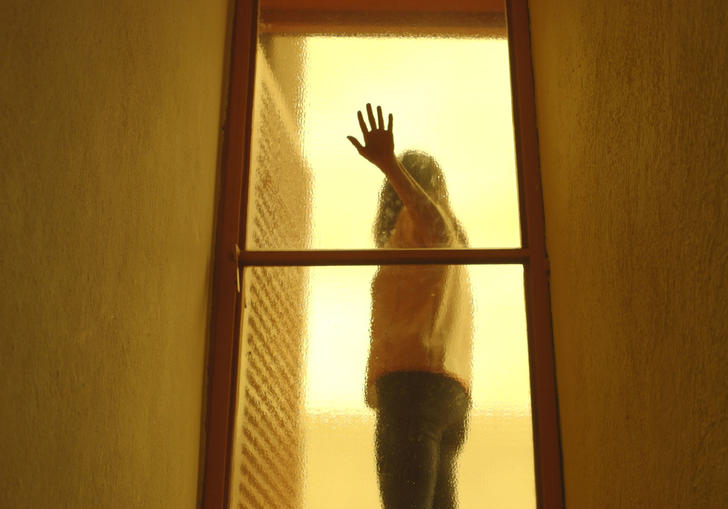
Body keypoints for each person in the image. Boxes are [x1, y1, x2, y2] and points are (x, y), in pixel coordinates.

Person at [347, 104, 474, 509]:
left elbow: (428, 218)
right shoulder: (449, 240)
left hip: (414, 383)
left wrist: (389, 166)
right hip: (447, 389)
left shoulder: (424, 226)